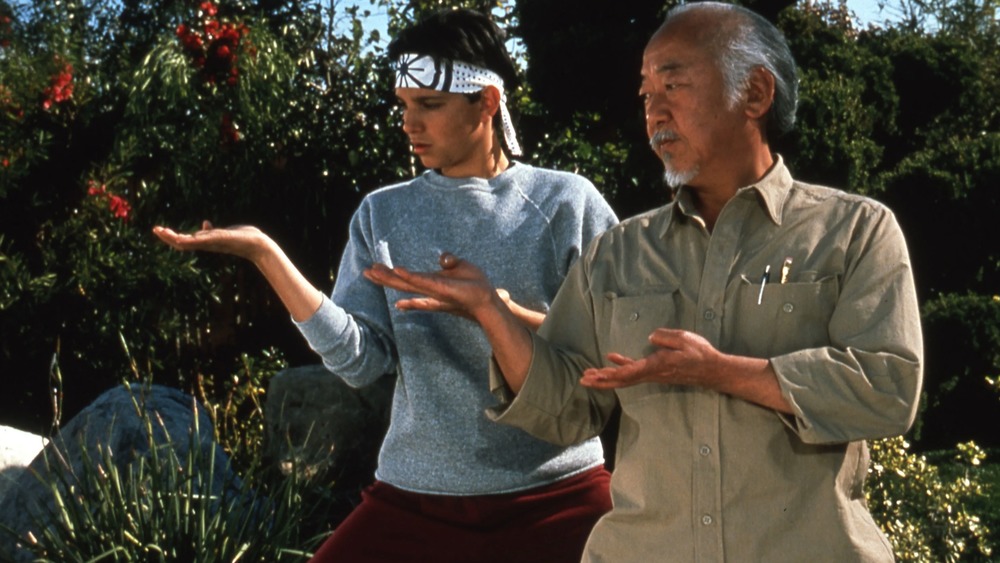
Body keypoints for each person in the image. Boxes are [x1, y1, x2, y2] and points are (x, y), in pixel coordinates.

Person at [363, 2, 924, 561]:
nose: (654, 112)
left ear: (755, 93)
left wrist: (724, 373)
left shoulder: (855, 232)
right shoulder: (617, 254)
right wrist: (491, 311)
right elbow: (566, 409)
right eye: (645, 94)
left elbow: (888, 388)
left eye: (673, 86)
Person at [153, 8, 618, 563]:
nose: (408, 122)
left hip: (558, 494)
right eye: (403, 105)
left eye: (429, 105)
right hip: (417, 501)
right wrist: (266, 255)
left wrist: (500, 313)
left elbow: (612, 344)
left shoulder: (567, 203)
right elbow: (360, 363)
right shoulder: (383, 214)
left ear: (487, 102)